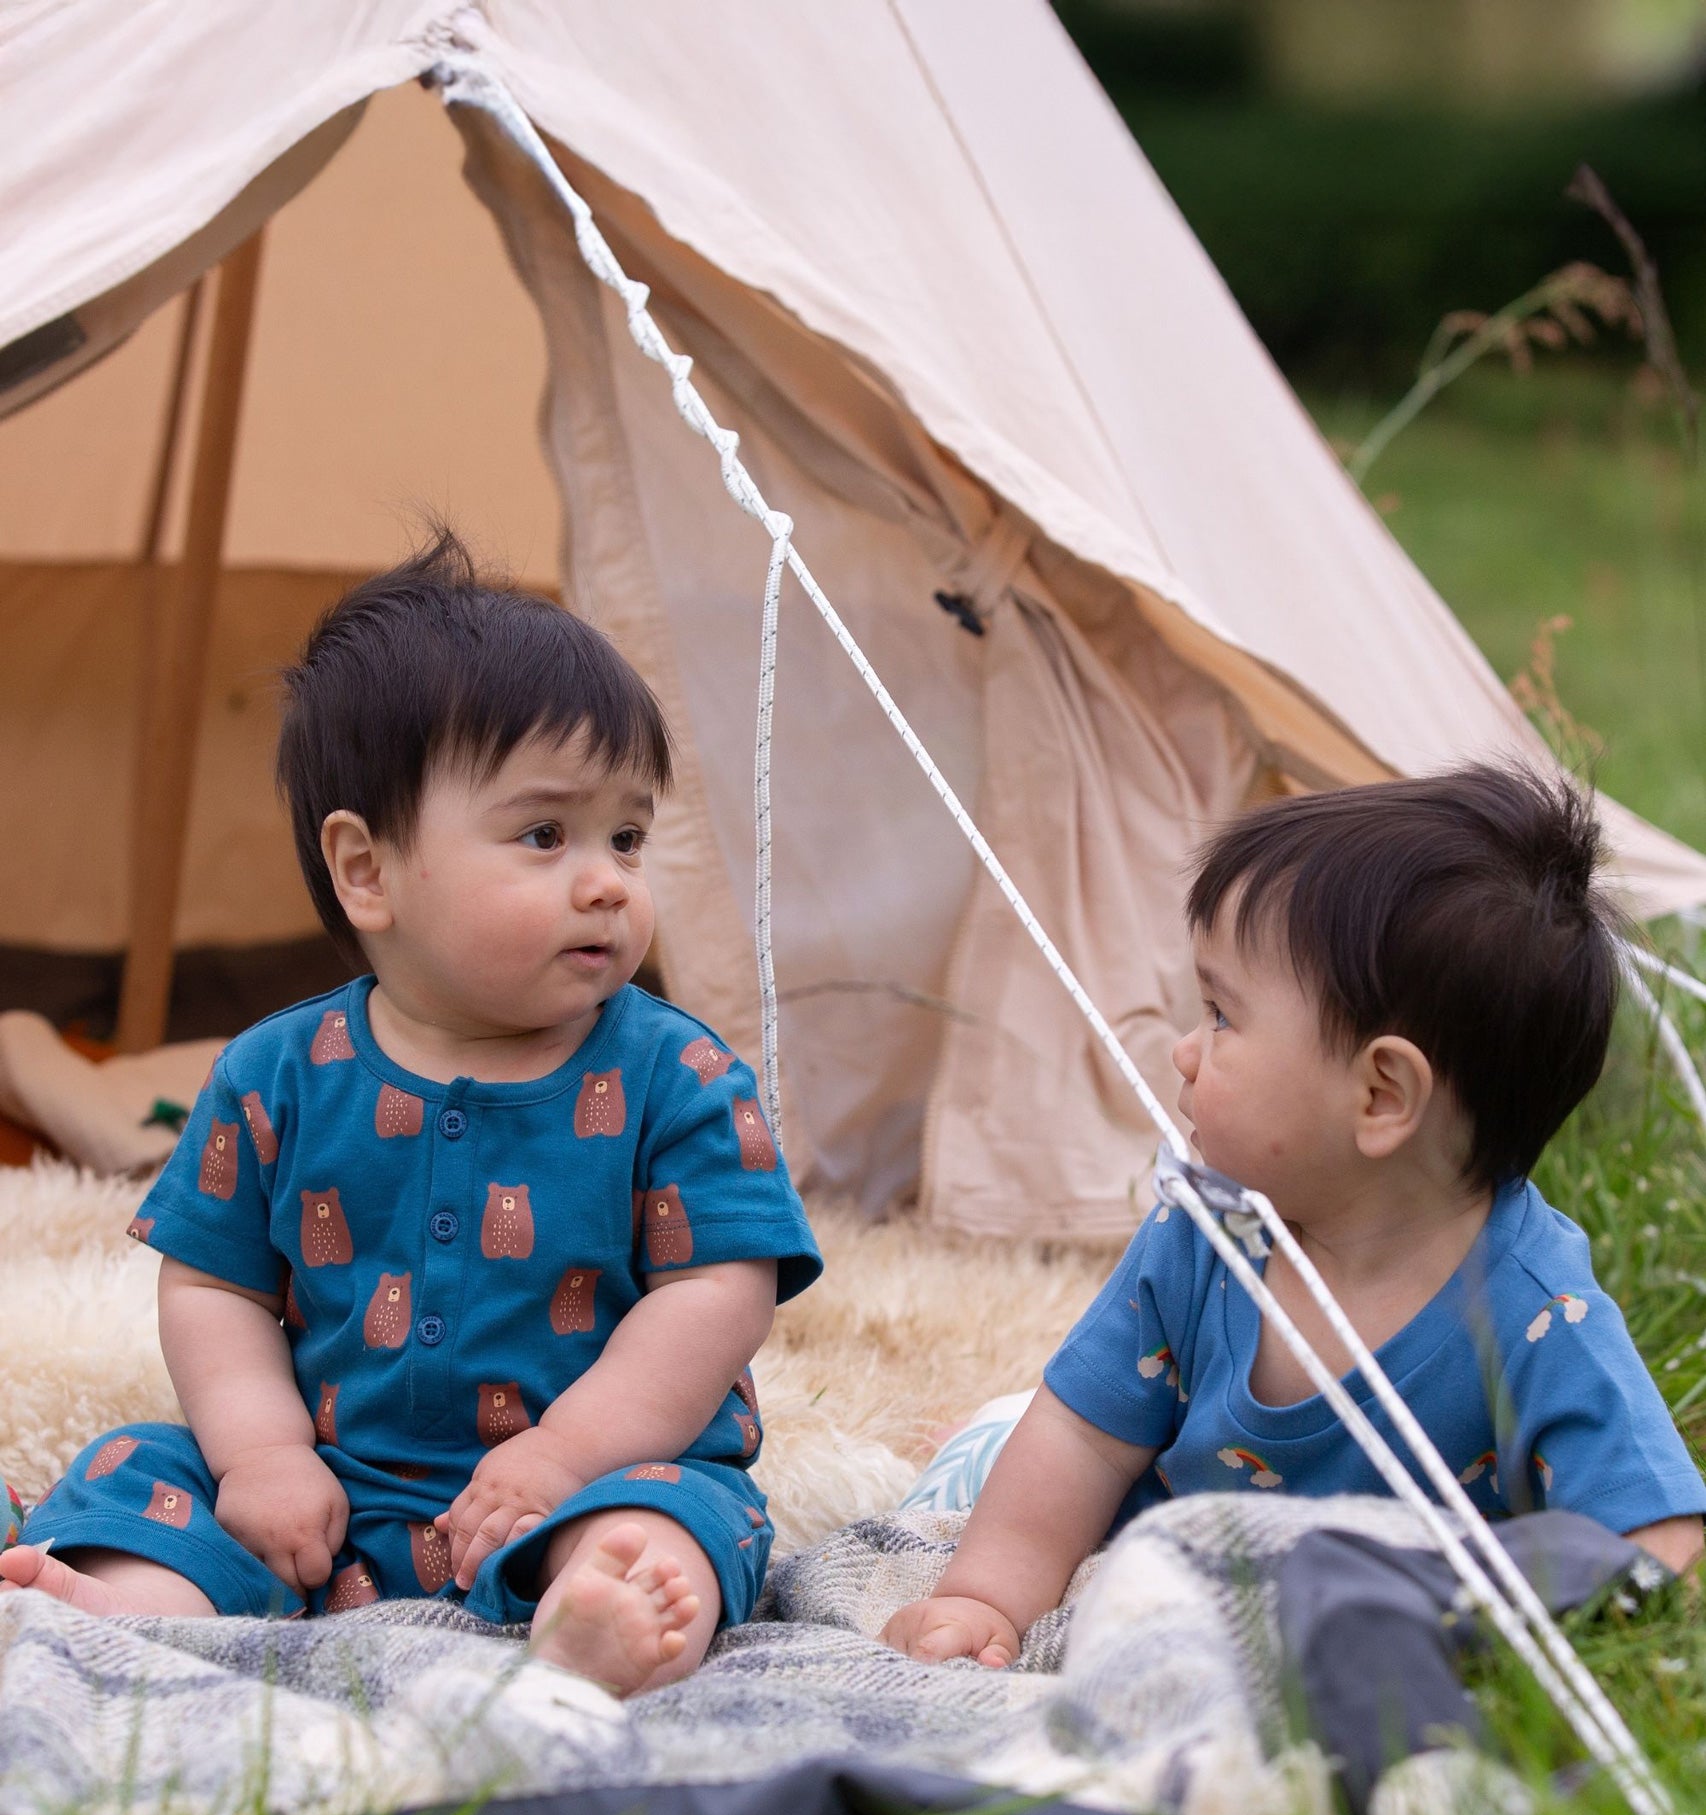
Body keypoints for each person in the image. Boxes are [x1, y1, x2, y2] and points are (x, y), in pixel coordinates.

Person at [0, 534, 820, 1697]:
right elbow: (214, 1282)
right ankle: (120, 1608)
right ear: (367, 870)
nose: (607, 881)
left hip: (591, 1470)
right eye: (546, 834)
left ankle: (600, 1621)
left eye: (626, 837)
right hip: (330, 1480)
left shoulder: (676, 1072)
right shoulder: (274, 1073)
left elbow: (718, 1290)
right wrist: (266, 1452)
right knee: (143, 1467)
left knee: (680, 1515)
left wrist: (564, 1454)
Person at [884, 765, 1706, 1671]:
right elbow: (1082, 1435)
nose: (1185, 1051)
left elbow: (1659, 1544)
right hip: (1158, 1591)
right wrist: (984, 1598)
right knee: (996, 1449)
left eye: (1223, 1015)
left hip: (1357, 1653)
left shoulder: (1536, 1315)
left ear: (1382, 1094)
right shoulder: (1210, 1236)